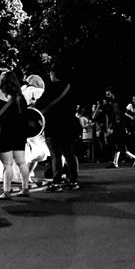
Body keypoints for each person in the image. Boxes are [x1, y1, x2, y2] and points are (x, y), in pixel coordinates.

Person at [0, 71, 30, 199]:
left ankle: (6, 191)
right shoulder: (21, 98)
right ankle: (25, 188)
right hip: (19, 134)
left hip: (4, 135)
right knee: (22, 162)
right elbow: (26, 116)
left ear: (2, 83)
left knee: (7, 165)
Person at [40, 61, 80, 192]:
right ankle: (73, 180)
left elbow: (40, 105)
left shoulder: (50, 88)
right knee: (69, 153)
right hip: (69, 125)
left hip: (53, 125)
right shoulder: (70, 87)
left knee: (56, 155)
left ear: (53, 74)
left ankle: (56, 182)